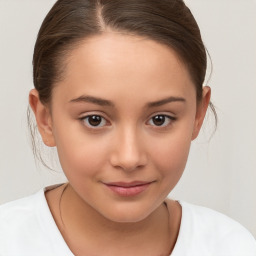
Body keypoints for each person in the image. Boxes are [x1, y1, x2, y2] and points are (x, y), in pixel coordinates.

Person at [0, 0, 255, 255]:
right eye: (94, 120)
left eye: (160, 119)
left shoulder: (232, 247)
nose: (129, 158)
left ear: (198, 115)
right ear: (46, 119)